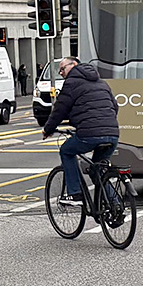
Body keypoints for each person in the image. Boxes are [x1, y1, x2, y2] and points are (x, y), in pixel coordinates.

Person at [42, 57, 120, 205]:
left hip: (90, 134)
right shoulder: (101, 83)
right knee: (98, 170)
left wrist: (48, 129)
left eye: (63, 68)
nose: (61, 72)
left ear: (74, 64)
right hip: (113, 134)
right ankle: (115, 205)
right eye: (59, 70)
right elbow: (115, 107)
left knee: (66, 151)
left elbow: (60, 109)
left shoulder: (71, 83)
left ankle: (75, 193)